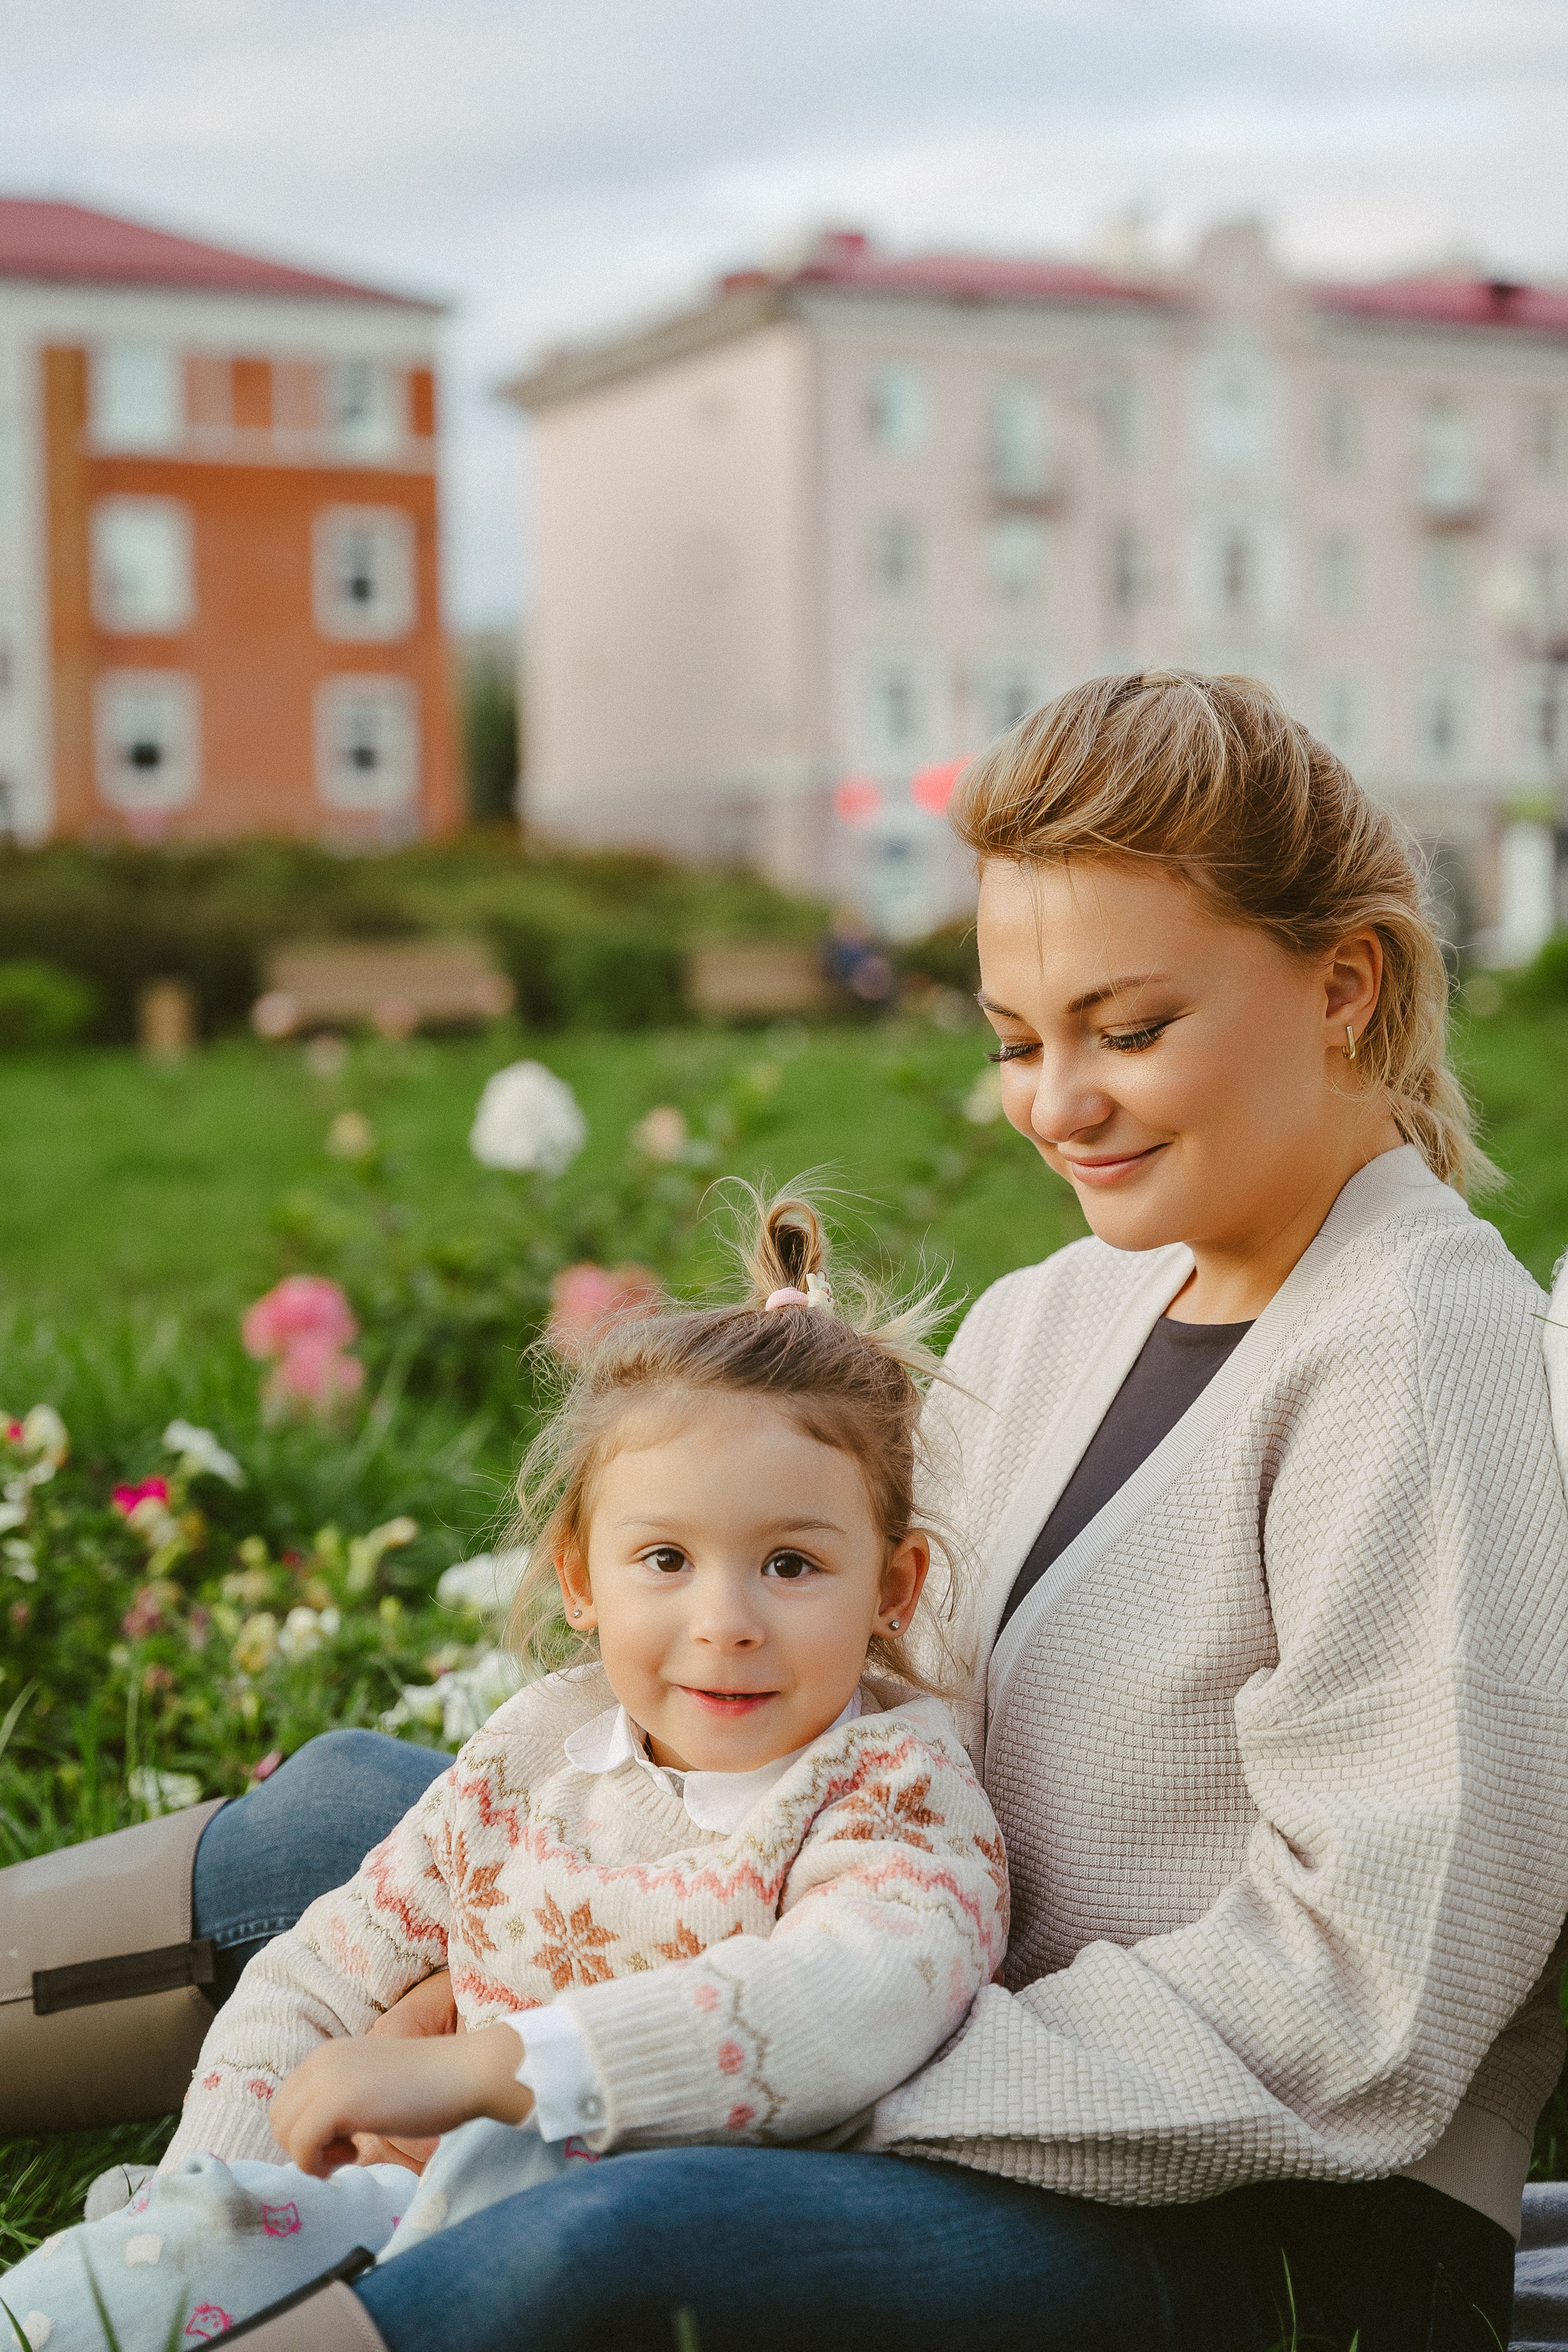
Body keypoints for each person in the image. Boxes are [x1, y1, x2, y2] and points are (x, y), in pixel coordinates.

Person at [9, 668, 1567, 2352]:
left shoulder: (1421, 1351)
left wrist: (646, 2058)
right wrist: (533, 1965)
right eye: (1016, 1041)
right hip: (882, 1968)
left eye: (1128, 1032)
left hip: (1256, 2219)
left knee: (599, 2243)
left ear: (1344, 984)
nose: (1056, 1103)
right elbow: (836, 1712)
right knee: (364, 1815)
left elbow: (1362, 2005)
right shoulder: (1064, 1312)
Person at [0, 1194, 1005, 2351]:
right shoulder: (533, 1754)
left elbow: (845, 1996)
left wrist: (498, 2066)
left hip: (640, 2261)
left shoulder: (894, 1797)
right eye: (665, 1559)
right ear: (580, 1581)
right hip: (397, 2213)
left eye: (790, 1565)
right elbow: (322, 1971)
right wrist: (219, 2179)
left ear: (892, 1589)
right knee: (170, 2257)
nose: (724, 1621)